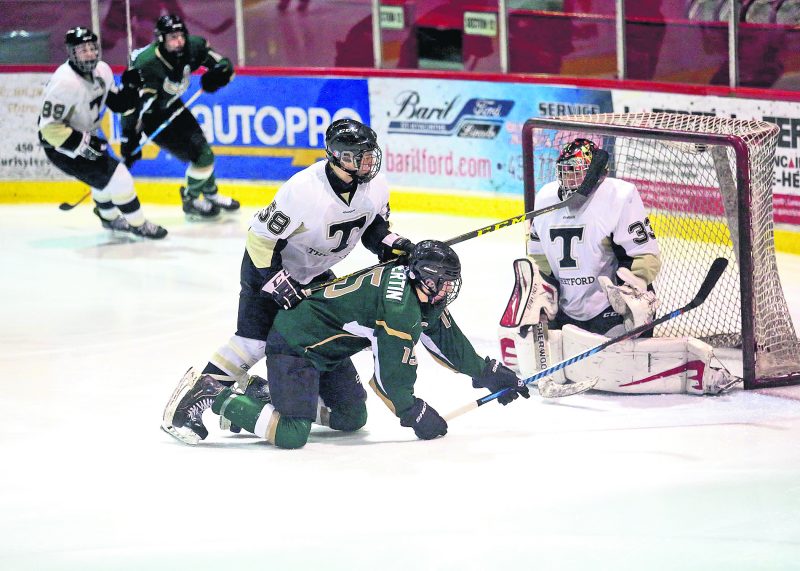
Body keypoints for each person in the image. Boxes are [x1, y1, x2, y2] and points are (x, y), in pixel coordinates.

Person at [161, 240, 530, 447]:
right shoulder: (399, 308)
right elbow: (390, 376)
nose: (449, 289)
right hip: (296, 346)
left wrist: (486, 371)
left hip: (328, 351)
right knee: (292, 434)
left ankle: (262, 395)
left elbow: (444, 337)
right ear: (425, 279)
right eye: (444, 282)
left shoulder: (418, 292)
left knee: (352, 418)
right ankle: (214, 394)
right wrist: (412, 411)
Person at [179, 119, 419, 423]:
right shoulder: (304, 191)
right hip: (269, 267)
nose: (368, 161)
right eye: (359, 156)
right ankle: (190, 403)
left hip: (316, 273)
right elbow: (260, 238)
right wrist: (276, 280)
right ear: (338, 157)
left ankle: (269, 397)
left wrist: (393, 244)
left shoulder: (377, 186)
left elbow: (373, 228)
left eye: (369, 153)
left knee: (323, 362)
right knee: (254, 342)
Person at [499, 137, 739, 395]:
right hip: (567, 309)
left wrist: (633, 285)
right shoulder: (546, 197)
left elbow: (645, 254)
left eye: (576, 172)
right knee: (539, 343)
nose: (569, 180)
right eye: (565, 172)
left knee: (618, 359)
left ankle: (690, 366)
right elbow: (539, 259)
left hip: (609, 308)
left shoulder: (618, 195)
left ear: (595, 173)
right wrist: (545, 294)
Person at [38, 27, 167, 239]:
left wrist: (131, 88)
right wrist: (83, 144)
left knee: (105, 178)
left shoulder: (103, 70)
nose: (89, 54)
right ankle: (138, 224)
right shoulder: (64, 82)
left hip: (87, 135)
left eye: (92, 48)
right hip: (61, 145)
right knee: (120, 178)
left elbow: (120, 106)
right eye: (82, 50)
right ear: (71, 53)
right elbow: (49, 128)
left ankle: (109, 218)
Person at [120, 13, 239, 219]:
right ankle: (190, 199)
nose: (179, 42)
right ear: (161, 39)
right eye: (172, 38)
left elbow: (226, 65)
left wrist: (217, 76)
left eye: (181, 36)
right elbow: (130, 105)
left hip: (174, 106)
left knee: (203, 152)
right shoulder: (145, 64)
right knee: (203, 157)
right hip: (152, 119)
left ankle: (210, 194)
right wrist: (129, 135)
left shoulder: (193, 47)